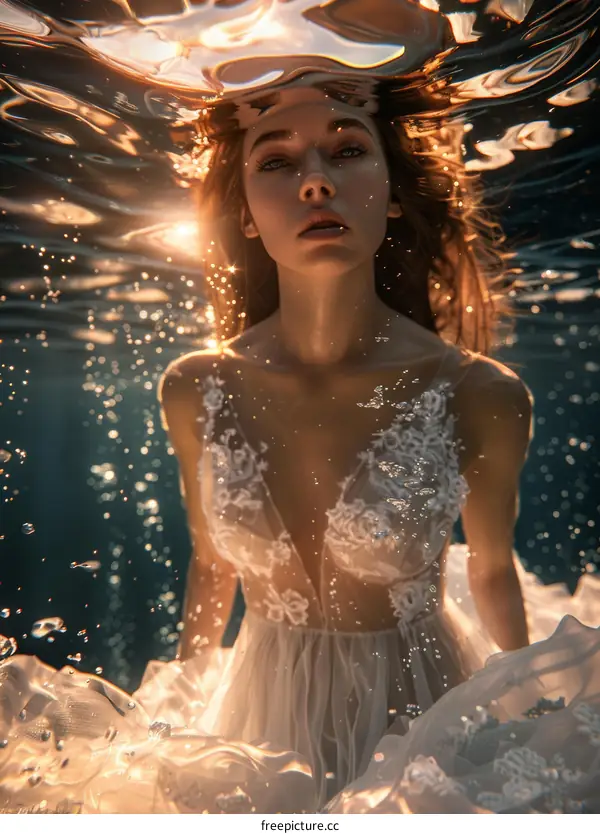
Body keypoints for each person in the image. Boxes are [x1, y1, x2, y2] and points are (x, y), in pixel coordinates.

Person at [157, 74, 533, 805]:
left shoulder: (482, 394)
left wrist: (534, 716)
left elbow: (492, 571)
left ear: (391, 193)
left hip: (420, 718)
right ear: (245, 213)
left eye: (348, 150)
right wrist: (177, 709)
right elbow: (211, 563)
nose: (315, 183)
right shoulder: (193, 387)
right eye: (277, 160)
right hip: (256, 717)